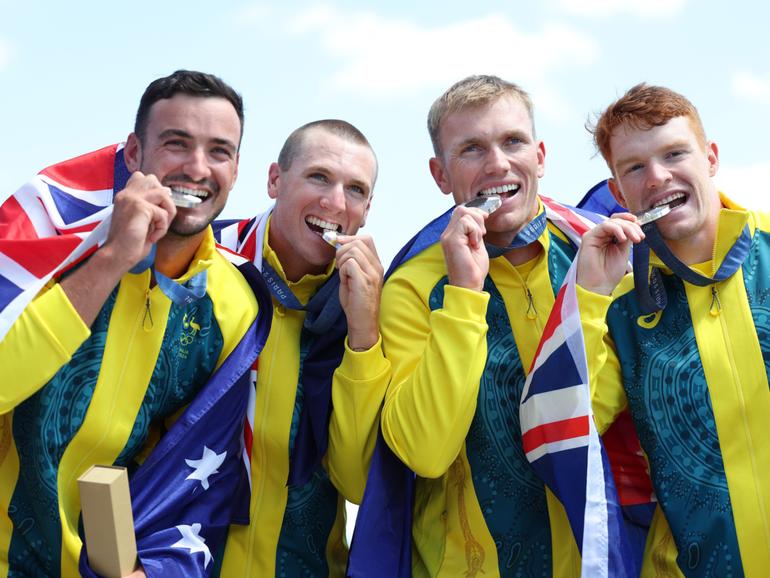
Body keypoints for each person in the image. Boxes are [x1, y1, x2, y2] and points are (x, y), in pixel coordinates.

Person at [0, 70, 268, 577]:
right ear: (132, 155)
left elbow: (196, 475)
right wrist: (114, 258)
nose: (197, 168)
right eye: (176, 143)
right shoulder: (53, 241)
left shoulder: (237, 305)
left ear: (236, 169)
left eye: (219, 151)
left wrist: (158, 570)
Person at [356, 75, 585, 578]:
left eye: (513, 142)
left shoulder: (594, 256)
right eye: (472, 149)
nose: (498, 163)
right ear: (441, 174)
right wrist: (462, 292)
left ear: (541, 155)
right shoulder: (413, 286)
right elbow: (424, 451)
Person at [576, 83, 770, 576]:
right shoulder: (616, 308)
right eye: (635, 167)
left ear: (710, 158)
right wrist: (589, 297)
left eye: (675, 153)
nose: (658, 176)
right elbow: (570, 432)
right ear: (619, 193)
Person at [213, 119, 390, 577]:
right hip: (181, 562)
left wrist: (364, 331)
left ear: (367, 210)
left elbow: (355, 479)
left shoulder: (373, 301)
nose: (334, 202)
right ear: (274, 179)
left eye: (355, 189)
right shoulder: (202, 263)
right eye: (319, 177)